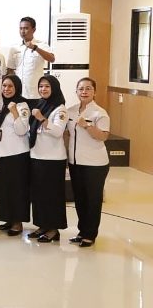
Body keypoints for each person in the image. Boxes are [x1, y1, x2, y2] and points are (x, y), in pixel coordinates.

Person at [66, 77, 110, 248]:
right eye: (81, 89)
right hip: (75, 162)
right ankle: (82, 231)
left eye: (88, 88)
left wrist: (87, 126)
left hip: (95, 164)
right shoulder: (71, 111)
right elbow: (67, 134)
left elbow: (103, 136)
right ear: (76, 91)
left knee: (93, 200)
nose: (84, 92)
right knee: (80, 199)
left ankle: (90, 234)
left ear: (94, 92)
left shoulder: (100, 113)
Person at [28, 75, 68, 243]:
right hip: (37, 156)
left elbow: (58, 132)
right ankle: (42, 224)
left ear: (54, 89)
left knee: (52, 195)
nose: (43, 89)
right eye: (41, 86)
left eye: (47, 86)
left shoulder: (60, 109)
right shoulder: (40, 104)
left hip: (53, 159)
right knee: (39, 194)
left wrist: (41, 118)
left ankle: (53, 229)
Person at [0, 75, 31, 237]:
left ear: (17, 88)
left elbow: (22, 130)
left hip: (17, 154)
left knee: (17, 189)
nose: (6, 89)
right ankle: (8, 219)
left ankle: (17, 222)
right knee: (5, 189)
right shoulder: (3, 104)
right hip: (3, 153)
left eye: (10, 86)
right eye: (4, 86)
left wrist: (14, 111)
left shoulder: (22, 105)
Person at [7, 16, 55, 100]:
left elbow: (52, 59)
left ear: (33, 30)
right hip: (18, 92)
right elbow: (10, 70)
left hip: (35, 93)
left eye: (26, 28)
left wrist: (35, 48)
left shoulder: (42, 44)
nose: (23, 31)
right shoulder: (14, 48)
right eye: (21, 28)